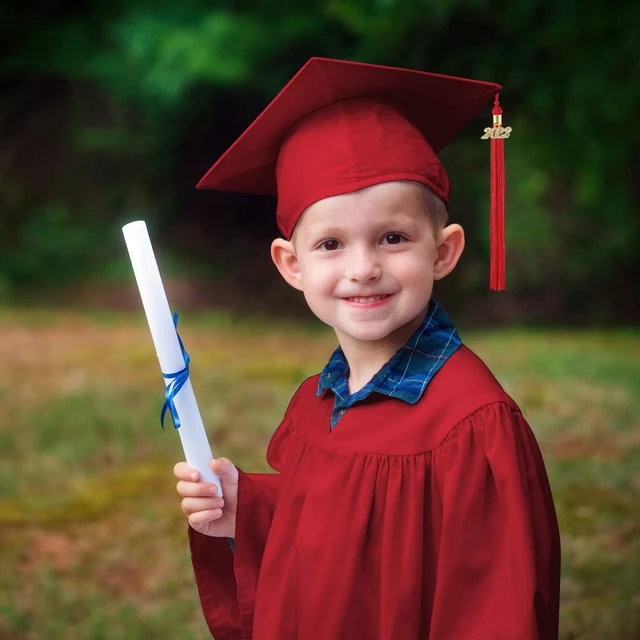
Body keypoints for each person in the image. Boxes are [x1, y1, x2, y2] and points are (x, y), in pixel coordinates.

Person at [173, 57, 561, 639]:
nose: (363, 268)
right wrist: (247, 510)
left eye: (393, 237)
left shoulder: (473, 428)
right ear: (291, 265)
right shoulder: (318, 400)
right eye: (331, 243)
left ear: (444, 251)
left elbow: (493, 613)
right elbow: (341, 541)